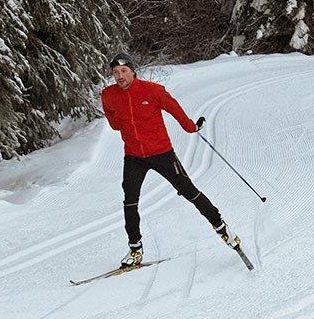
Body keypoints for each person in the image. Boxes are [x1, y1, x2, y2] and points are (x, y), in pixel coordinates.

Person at [100, 56, 240, 269]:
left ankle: (222, 229)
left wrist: (191, 127)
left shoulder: (152, 90)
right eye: (116, 72)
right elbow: (113, 123)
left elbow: (174, 109)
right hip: (134, 157)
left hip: (161, 153)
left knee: (189, 191)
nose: (119, 76)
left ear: (133, 72)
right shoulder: (108, 95)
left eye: (124, 71)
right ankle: (135, 249)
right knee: (130, 201)